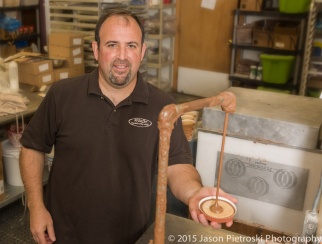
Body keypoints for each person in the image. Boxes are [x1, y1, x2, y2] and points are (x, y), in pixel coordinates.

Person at [19, 9, 237, 244]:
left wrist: (194, 193)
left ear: (142, 52)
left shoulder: (163, 106)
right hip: (63, 234)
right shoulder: (62, 95)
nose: (122, 56)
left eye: (131, 46)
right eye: (112, 44)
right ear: (96, 50)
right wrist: (36, 207)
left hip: (130, 236)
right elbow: (32, 147)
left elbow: (177, 165)